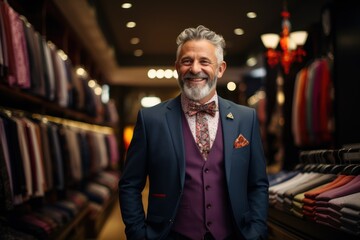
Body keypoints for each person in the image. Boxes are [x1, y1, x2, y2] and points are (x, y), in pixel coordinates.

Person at [119, 25, 269, 240]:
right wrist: (138, 234)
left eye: (205, 61)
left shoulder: (246, 118)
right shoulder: (150, 120)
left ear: (220, 69)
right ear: (177, 67)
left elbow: (258, 184)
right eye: (187, 61)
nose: (195, 69)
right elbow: (130, 185)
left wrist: (256, 231)